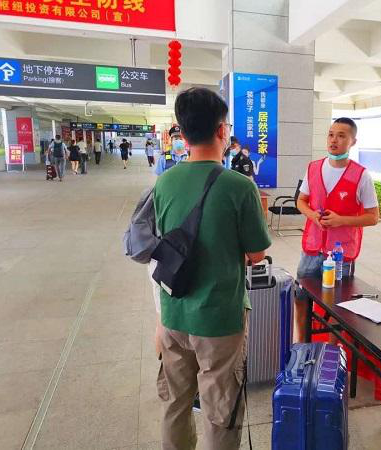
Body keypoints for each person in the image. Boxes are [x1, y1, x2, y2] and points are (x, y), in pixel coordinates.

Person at [154, 87, 271, 450]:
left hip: (174, 312)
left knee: (175, 403)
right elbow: (256, 253)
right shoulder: (239, 186)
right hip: (219, 318)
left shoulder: (165, 181)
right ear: (222, 130)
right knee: (220, 409)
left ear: (182, 132)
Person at [294, 117, 380, 342]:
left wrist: (341, 220)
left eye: (341, 136)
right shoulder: (314, 168)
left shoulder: (361, 175)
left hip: (341, 254)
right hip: (312, 249)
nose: (334, 140)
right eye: (331, 134)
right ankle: (302, 345)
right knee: (301, 298)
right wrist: (312, 215)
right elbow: (301, 201)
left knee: (338, 307)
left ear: (353, 141)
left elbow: (373, 217)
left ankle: (332, 351)